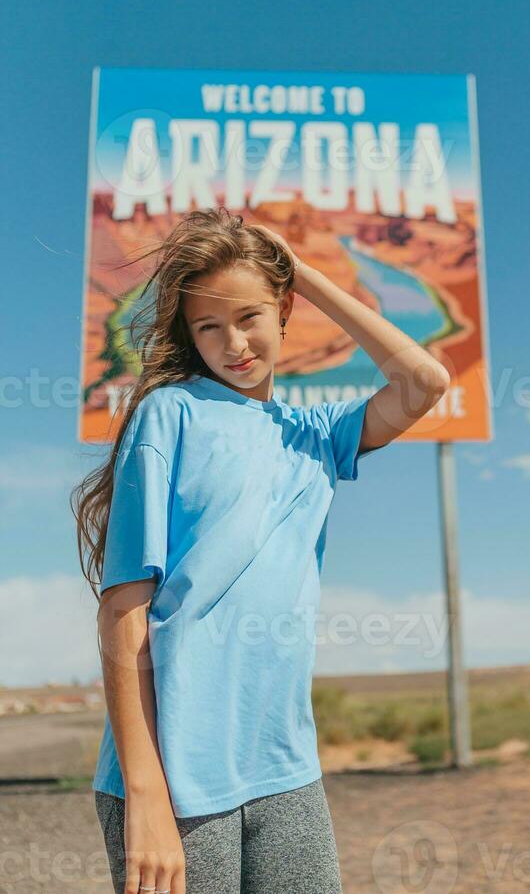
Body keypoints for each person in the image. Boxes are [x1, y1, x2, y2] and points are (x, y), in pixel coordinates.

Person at [71, 206, 451, 894]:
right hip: (175, 780)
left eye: (249, 317)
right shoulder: (171, 413)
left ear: (284, 310)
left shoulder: (317, 434)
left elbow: (425, 382)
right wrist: (148, 797)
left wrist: (300, 270)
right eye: (207, 327)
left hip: (285, 773)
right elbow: (123, 610)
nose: (233, 343)